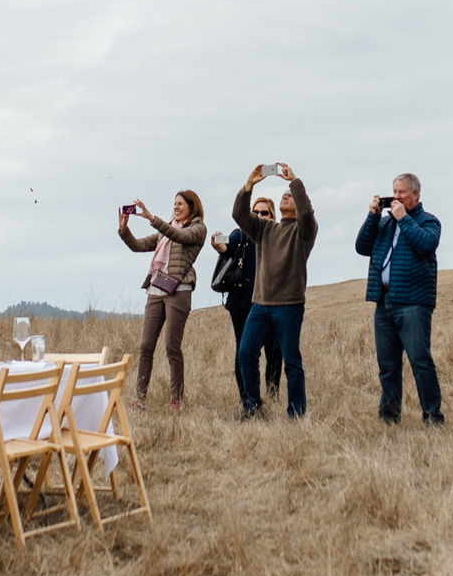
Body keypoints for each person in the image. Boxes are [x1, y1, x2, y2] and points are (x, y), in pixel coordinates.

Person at [356, 173, 445, 425]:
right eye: (393, 192)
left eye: (401, 193)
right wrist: (372, 217)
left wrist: (403, 219)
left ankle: (432, 416)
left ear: (415, 195)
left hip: (414, 302)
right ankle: (389, 417)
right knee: (387, 365)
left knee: (420, 361)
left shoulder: (429, 221)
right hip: (384, 301)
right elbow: (362, 247)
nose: (396, 197)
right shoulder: (384, 225)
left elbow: (425, 244)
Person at [233, 164, 318, 419]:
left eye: (290, 196)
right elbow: (239, 215)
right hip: (260, 305)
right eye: (284, 194)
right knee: (246, 352)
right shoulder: (265, 229)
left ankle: (296, 413)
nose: (285, 196)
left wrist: (295, 183)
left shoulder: (304, 232)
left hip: (289, 306)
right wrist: (249, 185)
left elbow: (306, 215)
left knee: (291, 361)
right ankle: (253, 407)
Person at [119, 191, 209, 409]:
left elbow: (181, 237)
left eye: (180, 204)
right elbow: (138, 246)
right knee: (146, 346)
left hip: (179, 290)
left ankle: (176, 399)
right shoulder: (166, 231)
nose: (176, 207)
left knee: (172, 346)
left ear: (192, 206)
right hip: (156, 289)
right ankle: (140, 398)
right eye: (174, 204)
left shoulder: (197, 229)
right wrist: (124, 230)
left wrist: (151, 218)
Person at [212, 197, 282, 399]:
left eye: (264, 212)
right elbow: (227, 246)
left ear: (272, 216)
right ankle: (248, 398)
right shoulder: (240, 234)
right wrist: (218, 243)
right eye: (255, 212)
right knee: (244, 349)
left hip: (272, 301)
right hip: (242, 302)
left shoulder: (278, 236)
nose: (259, 216)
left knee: (275, 350)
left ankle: (272, 394)